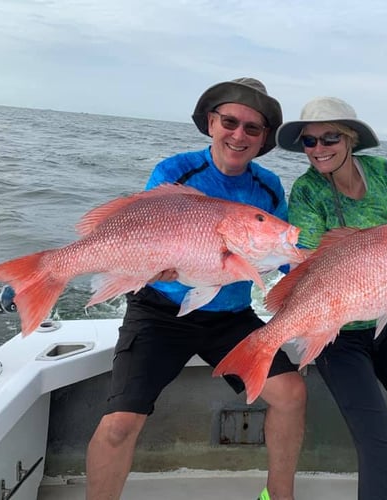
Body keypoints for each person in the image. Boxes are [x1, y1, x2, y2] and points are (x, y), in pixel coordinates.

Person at [85, 78, 307, 500]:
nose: (238, 135)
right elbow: (144, 236)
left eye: (252, 128)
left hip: (230, 317)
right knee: (119, 424)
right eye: (230, 121)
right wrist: (152, 268)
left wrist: (329, 279)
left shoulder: (268, 188)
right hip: (160, 311)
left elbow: (280, 255)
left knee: (291, 393)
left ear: (263, 139)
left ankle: (279, 497)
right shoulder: (175, 171)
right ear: (211, 122)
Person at [276, 97, 387, 500]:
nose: (319, 148)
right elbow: (307, 261)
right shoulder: (306, 191)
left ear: (351, 138)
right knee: (379, 447)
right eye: (309, 141)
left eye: (330, 137)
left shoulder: (380, 171)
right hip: (338, 332)